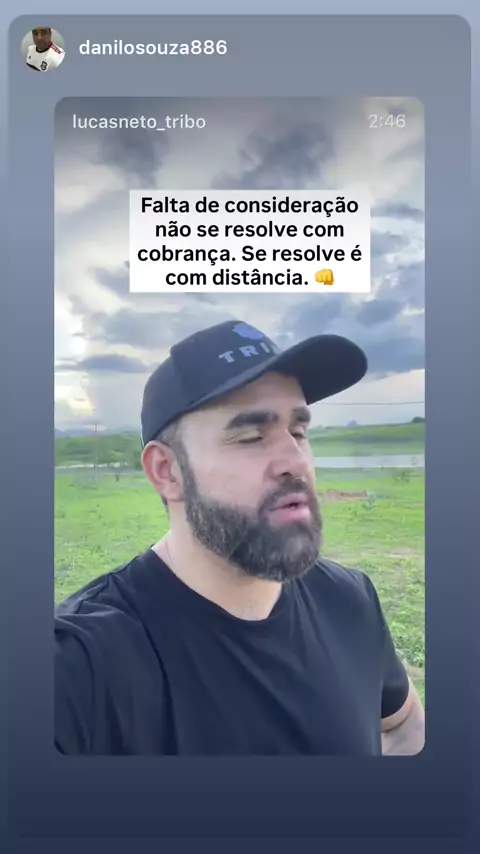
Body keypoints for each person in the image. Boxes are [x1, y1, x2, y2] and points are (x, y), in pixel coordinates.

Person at [55, 319, 425, 756]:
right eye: (251, 436)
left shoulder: (350, 599)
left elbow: (403, 725)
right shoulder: (79, 668)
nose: (296, 461)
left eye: (299, 432)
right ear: (167, 472)